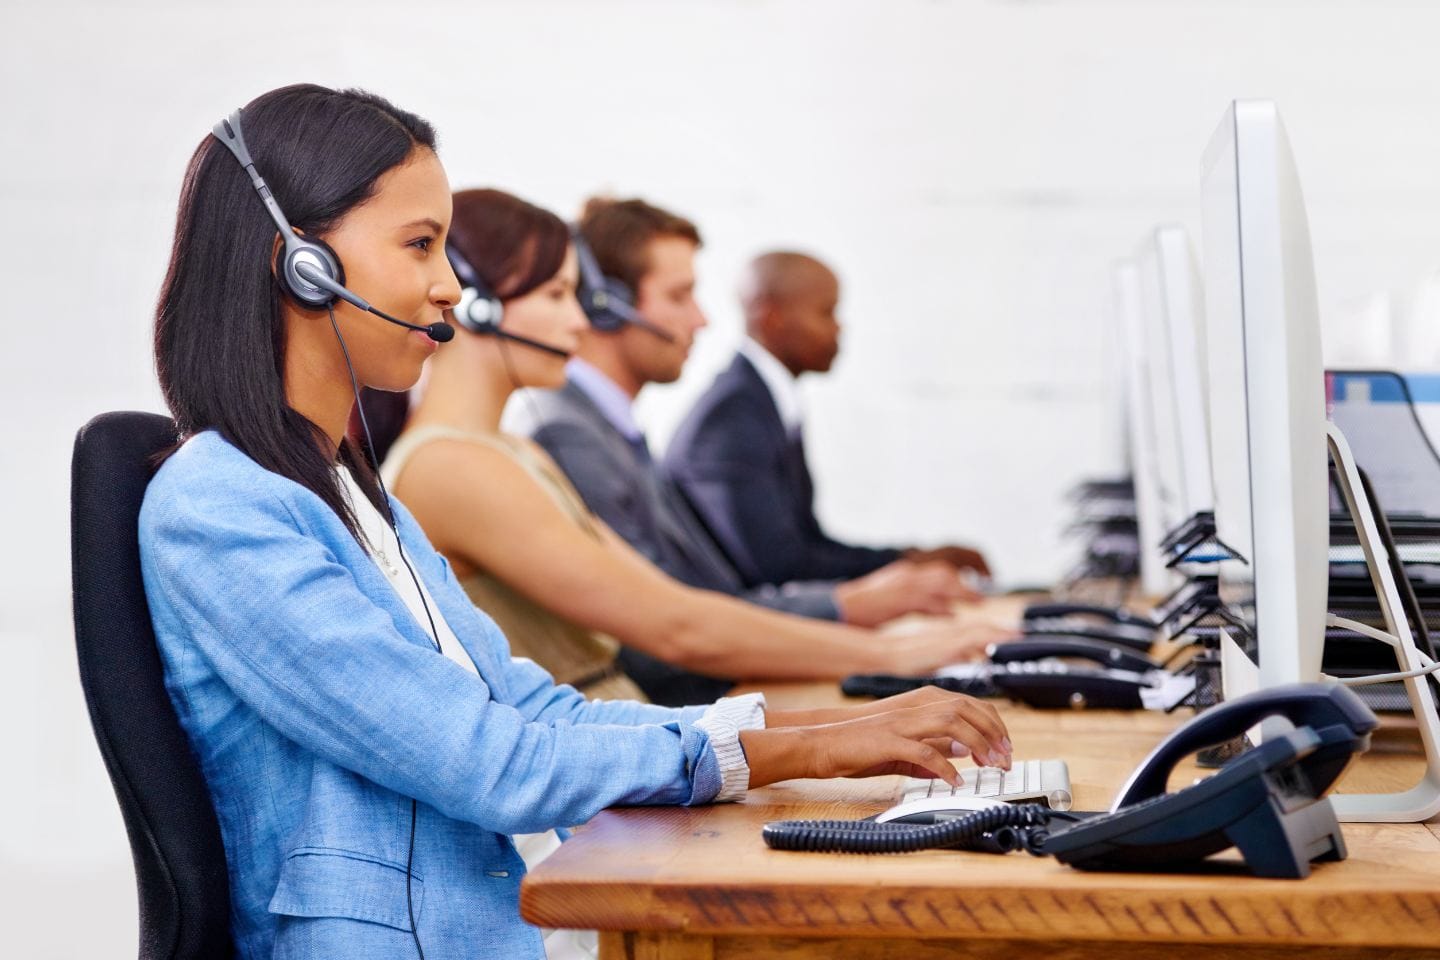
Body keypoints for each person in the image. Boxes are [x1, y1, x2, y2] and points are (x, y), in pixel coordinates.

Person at [137, 84, 1013, 960]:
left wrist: (825, 739)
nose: (447, 286)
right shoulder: (220, 508)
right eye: (419, 244)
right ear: (300, 262)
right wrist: (808, 754)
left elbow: (533, 707)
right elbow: (492, 761)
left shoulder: (356, 492)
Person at [371, 188, 1015, 707]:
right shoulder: (453, 465)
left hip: (619, 742)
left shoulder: (512, 451)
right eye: (558, 296)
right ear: (477, 308)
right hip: (582, 794)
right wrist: (893, 655)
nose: (582, 320)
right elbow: (673, 629)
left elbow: (673, 602)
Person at [510, 197, 977, 630]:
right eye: (679, 296)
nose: (702, 319)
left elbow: (711, 598)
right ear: (607, 307)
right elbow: (667, 628)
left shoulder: (614, 431)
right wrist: (855, 611)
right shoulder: (569, 436)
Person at [665, 251, 990, 589]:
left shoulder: (764, 403)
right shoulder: (731, 419)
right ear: (772, 316)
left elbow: (806, 544)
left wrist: (911, 560)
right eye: (826, 312)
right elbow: (778, 564)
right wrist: (905, 564)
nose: (838, 328)